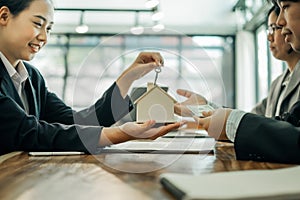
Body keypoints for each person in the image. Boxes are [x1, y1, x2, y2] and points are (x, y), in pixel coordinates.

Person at [0, 0, 184, 156]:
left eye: (48, 29)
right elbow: (27, 132)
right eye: (38, 24)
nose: (44, 37)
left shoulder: (32, 77)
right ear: (4, 17)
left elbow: (80, 120)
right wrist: (119, 134)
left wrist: (128, 77)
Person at [175, 5, 300, 164]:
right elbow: (255, 120)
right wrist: (206, 107)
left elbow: (283, 132)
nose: (272, 36)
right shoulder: (278, 83)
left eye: (274, 28)